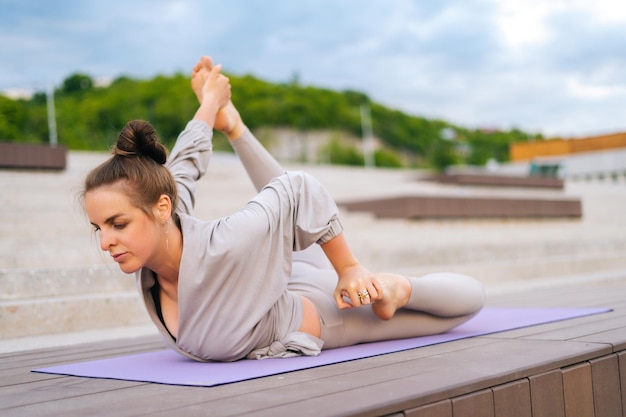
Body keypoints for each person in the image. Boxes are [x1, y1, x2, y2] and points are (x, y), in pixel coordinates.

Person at [82, 56, 485, 362]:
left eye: (117, 223)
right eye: (99, 227)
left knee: (460, 309)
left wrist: (349, 269)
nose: (106, 242)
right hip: (272, 277)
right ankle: (235, 125)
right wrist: (210, 107)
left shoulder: (224, 241)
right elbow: (181, 165)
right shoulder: (162, 227)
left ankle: (398, 286)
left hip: (317, 309)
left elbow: (299, 188)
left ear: (160, 208)